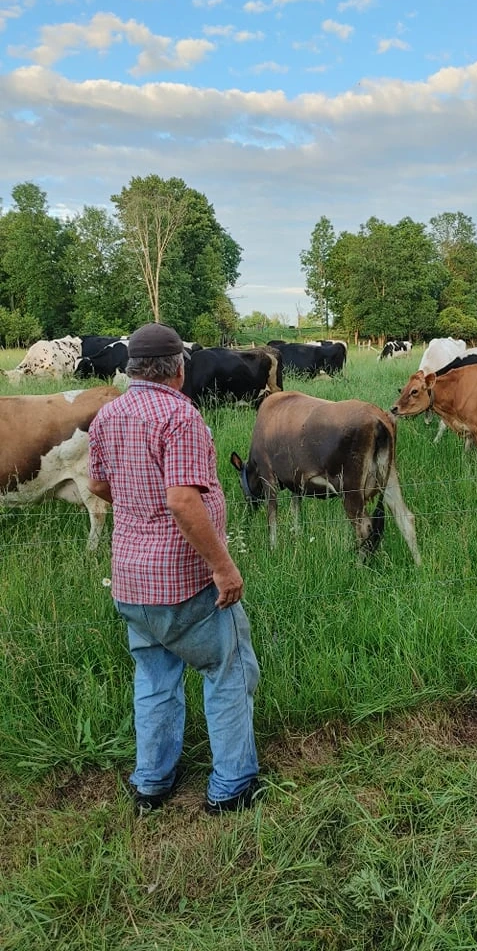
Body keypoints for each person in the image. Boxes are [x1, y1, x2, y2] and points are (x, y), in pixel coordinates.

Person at [88, 323, 261, 815]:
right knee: (228, 670)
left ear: (132, 368)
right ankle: (231, 786)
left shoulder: (107, 414)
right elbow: (183, 501)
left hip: (131, 581)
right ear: (178, 370)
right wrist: (223, 568)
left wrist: (136, 504)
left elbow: (98, 484)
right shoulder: (180, 416)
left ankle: (152, 782)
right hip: (183, 581)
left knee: (154, 677)